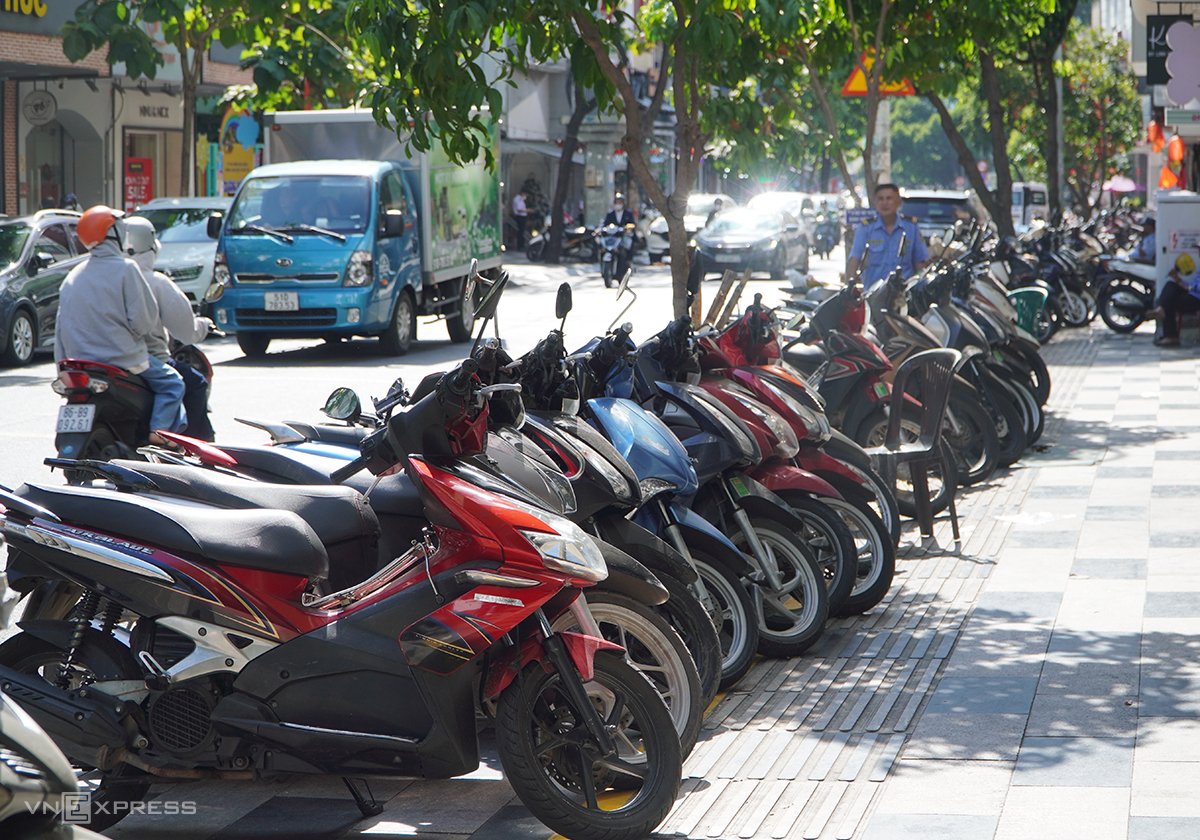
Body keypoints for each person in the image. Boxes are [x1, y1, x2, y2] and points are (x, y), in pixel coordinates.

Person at [54, 206, 185, 445]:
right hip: (123, 360)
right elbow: (143, 323)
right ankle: (158, 432)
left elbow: (60, 331)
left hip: (78, 365)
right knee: (173, 384)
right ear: (112, 233)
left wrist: (61, 369)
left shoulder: (73, 276)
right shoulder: (126, 269)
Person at [124, 216, 217, 439]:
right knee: (193, 383)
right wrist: (203, 327)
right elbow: (186, 331)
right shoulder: (154, 282)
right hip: (140, 357)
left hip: (95, 357)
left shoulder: (92, 278)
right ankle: (195, 447)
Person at [846, 183, 929, 288]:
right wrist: (850, 286)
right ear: (875, 202)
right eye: (880, 199)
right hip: (873, 294)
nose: (885, 203)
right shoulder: (866, 228)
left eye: (889, 198)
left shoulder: (911, 227)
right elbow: (854, 258)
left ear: (898, 202)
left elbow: (920, 263)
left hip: (904, 294)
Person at [1150, 252, 1200, 348]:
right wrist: (1179, 280)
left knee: (1170, 303)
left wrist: (1188, 287)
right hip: (1193, 294)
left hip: (1197, 299)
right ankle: (1160, 308)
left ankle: (1170, 336)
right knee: (1171, 285)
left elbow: (1195, 287)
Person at [603, 193, 636, 277]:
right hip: (613, 237)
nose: (618, 204)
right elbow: (605, 225)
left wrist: (627, 229)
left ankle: (628, 263)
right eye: (617, 202)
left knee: (626, 248)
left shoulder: (628, 214)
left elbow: (632, 224)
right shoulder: (610, 214)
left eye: (620, 202)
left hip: (623, 237)